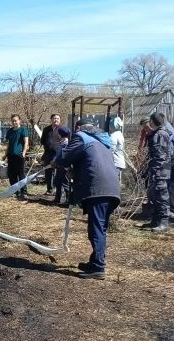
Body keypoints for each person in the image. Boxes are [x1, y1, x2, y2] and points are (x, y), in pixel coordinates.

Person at [53, 125, 121, 280]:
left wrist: (56, 161)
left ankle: (98, 267)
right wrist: (74, 172)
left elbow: (64, 158)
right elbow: (90, 163)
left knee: (96, 228)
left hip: (98, 189)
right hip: (111, 188)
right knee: (99, 228)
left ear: (79, 128)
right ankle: (95, 262)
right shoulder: (101, 143)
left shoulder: (81, 137)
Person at [139, 113, 172, 232]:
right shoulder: (156, 133)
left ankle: (163, 221)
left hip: (160, 170)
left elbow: (160, 156)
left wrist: (154, 170)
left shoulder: (160, 134)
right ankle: (156, 220)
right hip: (156, 170)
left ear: (152, 121)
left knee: (161, 195)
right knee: (154, 195)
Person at [4, 114, 30, 200]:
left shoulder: (23, 130)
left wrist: (23, 153)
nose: (14, 122)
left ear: (19, 121)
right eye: (13, 121)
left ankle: (24, 192)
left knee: (21, 174)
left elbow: (26, 142)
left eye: (16, 120)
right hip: (11, 155)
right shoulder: (10, 131)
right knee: (12, 175)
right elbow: (8, 144)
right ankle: (15, 192)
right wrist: (5, 154)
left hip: (19, 155)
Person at [40, 114, 66, 196]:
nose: (56, 120)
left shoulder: (62, 129)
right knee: (48, 172)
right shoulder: (46, 129)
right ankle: (50, 189)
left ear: (60, 120)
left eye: (57, 118)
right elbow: (43, 141)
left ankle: (60, 191)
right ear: (51, 119)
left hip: (59, 154)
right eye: (54, 118)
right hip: (48, 153)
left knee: (60, 173)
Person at [108, 117, 126, 183]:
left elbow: (111, 150)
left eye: (110, 125)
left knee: (112, 181)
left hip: (116, 162)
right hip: (119, 162)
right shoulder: (120, 134)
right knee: (115, 180)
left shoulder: (114, 136)